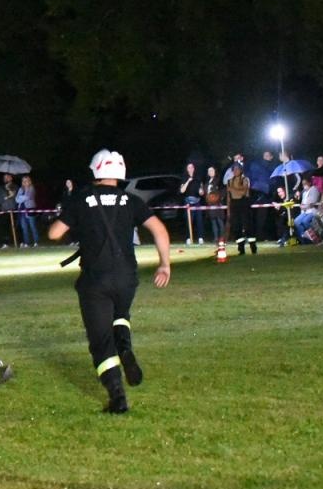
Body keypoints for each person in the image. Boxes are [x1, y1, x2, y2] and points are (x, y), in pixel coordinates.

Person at [47, 149, 170, 414]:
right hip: (127, 276)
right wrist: (164, 264)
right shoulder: (132, 200)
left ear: (96, 171)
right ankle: (125, 348)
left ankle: (117, 397)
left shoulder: (82, 199)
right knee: (121, 314)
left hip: (95, 278)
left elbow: (55, 232)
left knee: (101, 340)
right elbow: (159, 229)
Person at [227, 161, 256, 254]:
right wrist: (228, 210)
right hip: (234, 205)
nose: (235, 171)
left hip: (244, 204)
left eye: (237, 169)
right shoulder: (229, 181)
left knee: (248, 226)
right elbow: (229, 196)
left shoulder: (245, 179)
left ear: (241, 170)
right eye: (234, 169)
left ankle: (253, 246)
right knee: (236, 227)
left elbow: (244, 192)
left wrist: (233, 190)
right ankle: (241, 248)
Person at [178, 162, 205, 243]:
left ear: (194, 168)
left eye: (192, 167)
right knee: (189, 221)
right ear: (187, 169)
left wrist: (201, 191)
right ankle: (188, 238)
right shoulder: (184, 178)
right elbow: (182, 191)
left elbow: (202, 191)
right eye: (189, 167)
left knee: (199, 220)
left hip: (197, 201)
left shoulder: (198, 177)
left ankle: (200, 237)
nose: (190, 169)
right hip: (188, 202)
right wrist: (188, 181)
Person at [14, 174, 40, 248]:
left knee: (32, 226)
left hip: (30, 209)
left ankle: (36, 242)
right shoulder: (20, 189)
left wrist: (21, 198)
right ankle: (26, 243)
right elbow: (16, 199)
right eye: (23, 181)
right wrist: (21, 198)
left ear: (29, 181)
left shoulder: (31, 188)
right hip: (21, 210)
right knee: (24, 227)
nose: (25, 182)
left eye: (26, 181)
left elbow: (28, 197)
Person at [202, 168, 226, 245]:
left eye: (212, 171)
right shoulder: (207, 182)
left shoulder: (219, 180)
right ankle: (215, 238)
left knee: (220, 221)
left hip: (218, 203)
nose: (210, 172)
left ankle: (222, 238)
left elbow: (223, 189)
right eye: (209, 171)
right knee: (213, 222)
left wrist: (219, 197)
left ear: (215, 172)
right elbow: (205, 192)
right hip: (210, 204)